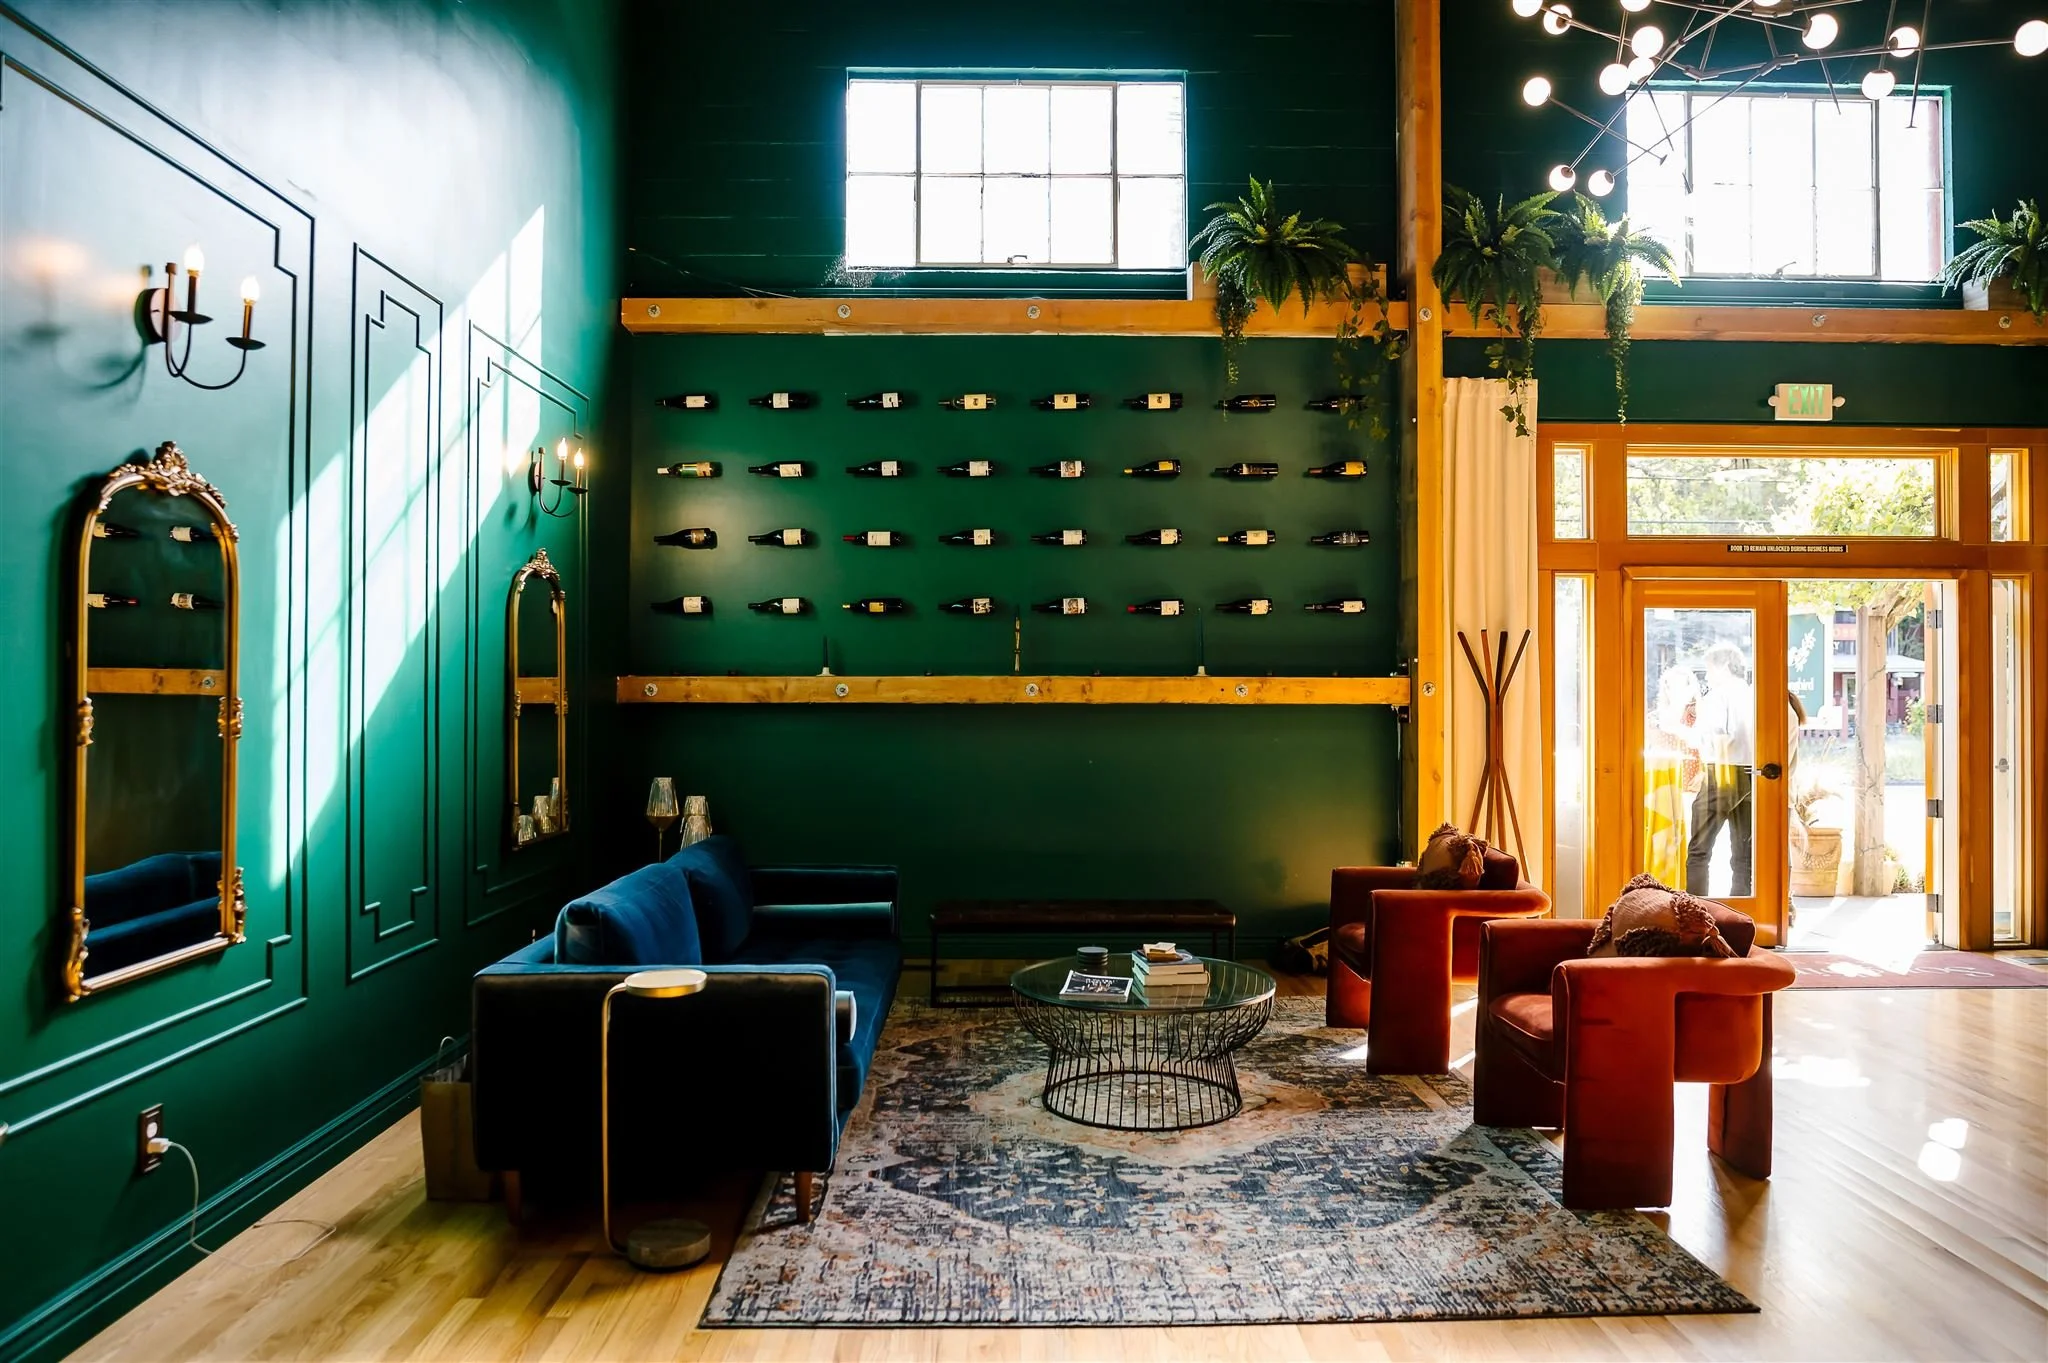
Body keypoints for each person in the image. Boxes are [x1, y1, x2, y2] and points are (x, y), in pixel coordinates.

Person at [1687, 644, 1755, 897]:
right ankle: (1743, 909)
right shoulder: (1751, 694)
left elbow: (1719, 736)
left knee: (1699, 850)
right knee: (1743, 853)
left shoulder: (1719, 695)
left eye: (1709, 668)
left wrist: (1687, 733)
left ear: (1724, 665)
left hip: (1723, 771)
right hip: (1751, 773)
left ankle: (1694, 909)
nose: (1707, 676)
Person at [1643, 666, 1700, 886]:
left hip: (1689, 774)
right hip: (1663, 778)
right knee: (1665, 830)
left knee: (1682, 830)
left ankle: (1676, 882)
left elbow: (1704, 743)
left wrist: (1703, 772)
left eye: (1678, 683)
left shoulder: (1695, 714)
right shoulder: (1656, 716)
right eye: (1668, 684)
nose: (1672, 688)